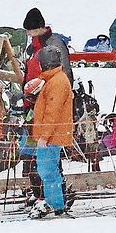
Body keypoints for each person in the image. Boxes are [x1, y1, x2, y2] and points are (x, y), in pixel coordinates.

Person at [28, 45, 74, 216]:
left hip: (51, 136)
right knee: (49, 170)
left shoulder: (57, 82)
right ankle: (56, 203)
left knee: (47, 171)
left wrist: (44, 137)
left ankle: (56, 205)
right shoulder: (53, 79)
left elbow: (51, 113)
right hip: (50, 135)